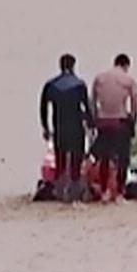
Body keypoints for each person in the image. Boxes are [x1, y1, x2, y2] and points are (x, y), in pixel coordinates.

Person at [39, 54, 93, 201]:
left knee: (61, 160)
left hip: (59, 127)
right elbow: (87, 107)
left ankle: (60, 191)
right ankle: (74, 194)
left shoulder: (51, 85)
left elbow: (43, 108)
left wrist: (45, 127)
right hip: (76, 128)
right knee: (76, 160)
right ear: (73, 65)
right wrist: (91, 124)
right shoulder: (79, 85)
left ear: (60, 65)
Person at [92, 54, 137, 202]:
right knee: (123, 159)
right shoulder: (128, 80)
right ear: (126, 66)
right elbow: (134, 106)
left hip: (104, 121)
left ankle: (105, 191)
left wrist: (96, 120)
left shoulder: (99, 78)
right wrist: (132, 122)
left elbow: (93, 102)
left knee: (104, 158)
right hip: (120, 121)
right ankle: (119, 192)